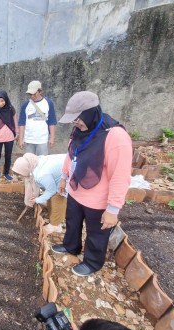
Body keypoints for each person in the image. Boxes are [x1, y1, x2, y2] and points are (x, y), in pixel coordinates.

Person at [51, 91, 132, 277]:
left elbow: (120, 175)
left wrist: (113, 209)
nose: (75, 123)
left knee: (96, 232)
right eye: (73, 120)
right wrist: (64, 177)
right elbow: (71, 154)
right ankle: (71, 246)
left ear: (90, 113)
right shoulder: (79, 130)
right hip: (76, 189)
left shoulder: (114, 136)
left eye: (78, 119)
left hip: (98, 199)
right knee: (72, 221)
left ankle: (92, 262)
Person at [12, 153, 67, 234]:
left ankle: (55, 226)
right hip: (65, 168)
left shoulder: (41, 174)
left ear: (25, 169)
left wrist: (37, 200)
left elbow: (51, 190)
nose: (21, 176)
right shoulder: (35, 162)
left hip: (72, 171)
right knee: (52, 197)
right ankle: (54, 216)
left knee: (57, 197)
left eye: (21, 173)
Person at [18, 80, 57, 155]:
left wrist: (52, 138)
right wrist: (21, 139)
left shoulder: (48, 103)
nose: (32, 96)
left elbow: (52, 122)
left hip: (42, 139)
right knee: (29, 163)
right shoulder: (25, 105)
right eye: (30, 94)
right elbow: (22, 123)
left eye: (34, 94)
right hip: (29, 139)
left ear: (40, 91)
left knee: (42, 162)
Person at [0, 90, 19, 182]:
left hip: (9, 137)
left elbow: (14, 121)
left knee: (8, 156)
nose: (0, 103)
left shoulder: (11, 109)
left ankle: (6, 173)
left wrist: (16, 133)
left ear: (6, 100)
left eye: (2, 101)